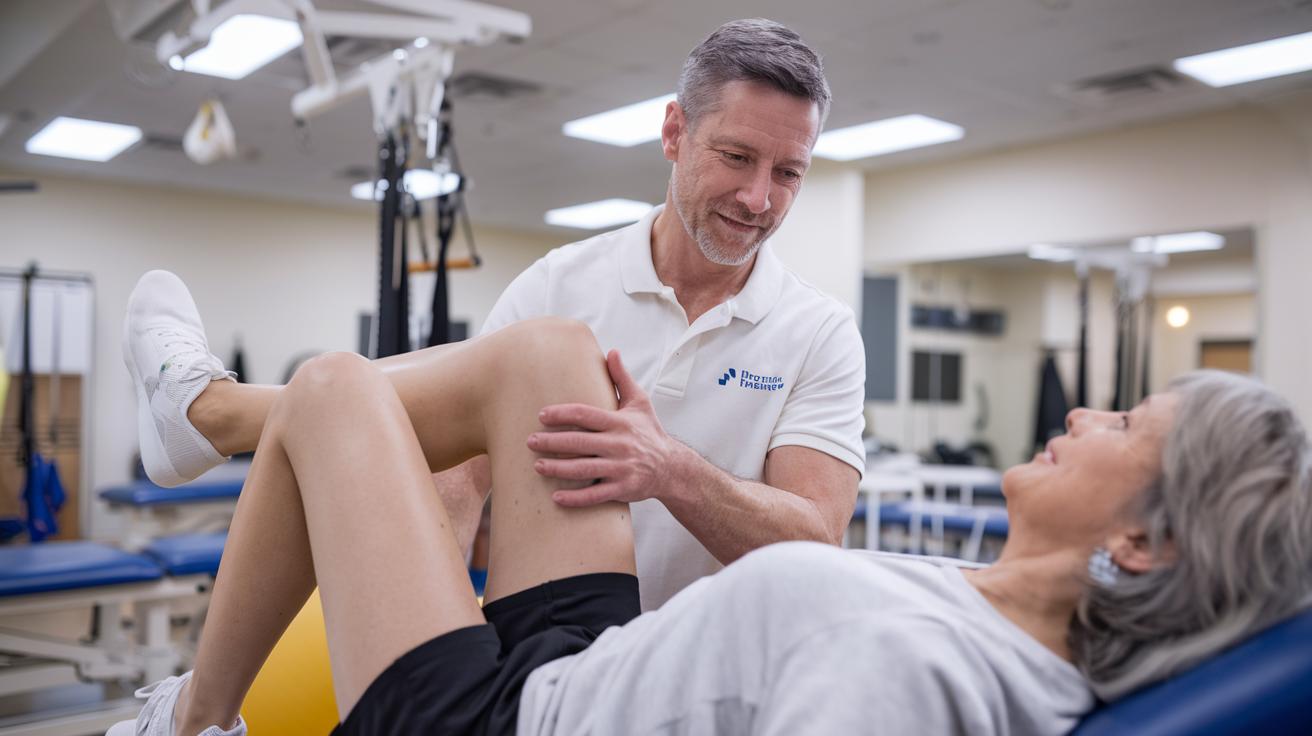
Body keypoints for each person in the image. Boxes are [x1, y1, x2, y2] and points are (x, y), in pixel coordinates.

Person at [113, 270, 1312, 736]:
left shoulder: (910, 671)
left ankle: (194, 705)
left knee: (333, 392)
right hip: (594, 664)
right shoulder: (987, 605)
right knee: (550, 356)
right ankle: (205, 416)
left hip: (501, 727)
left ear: (1143, 540)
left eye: (1127, 426)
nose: (1090, 415)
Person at [134, 18, 868, 612]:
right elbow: (460, 483)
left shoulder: (820, 331)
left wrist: (670, 470)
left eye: (789, 173)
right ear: (675, 132)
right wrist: (445, 649)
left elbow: (813, 539)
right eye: (736, 157)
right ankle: (201, 695)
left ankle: (218, 415)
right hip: (551, 664)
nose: (759, 199)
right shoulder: (561, 284)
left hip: (713, 683)